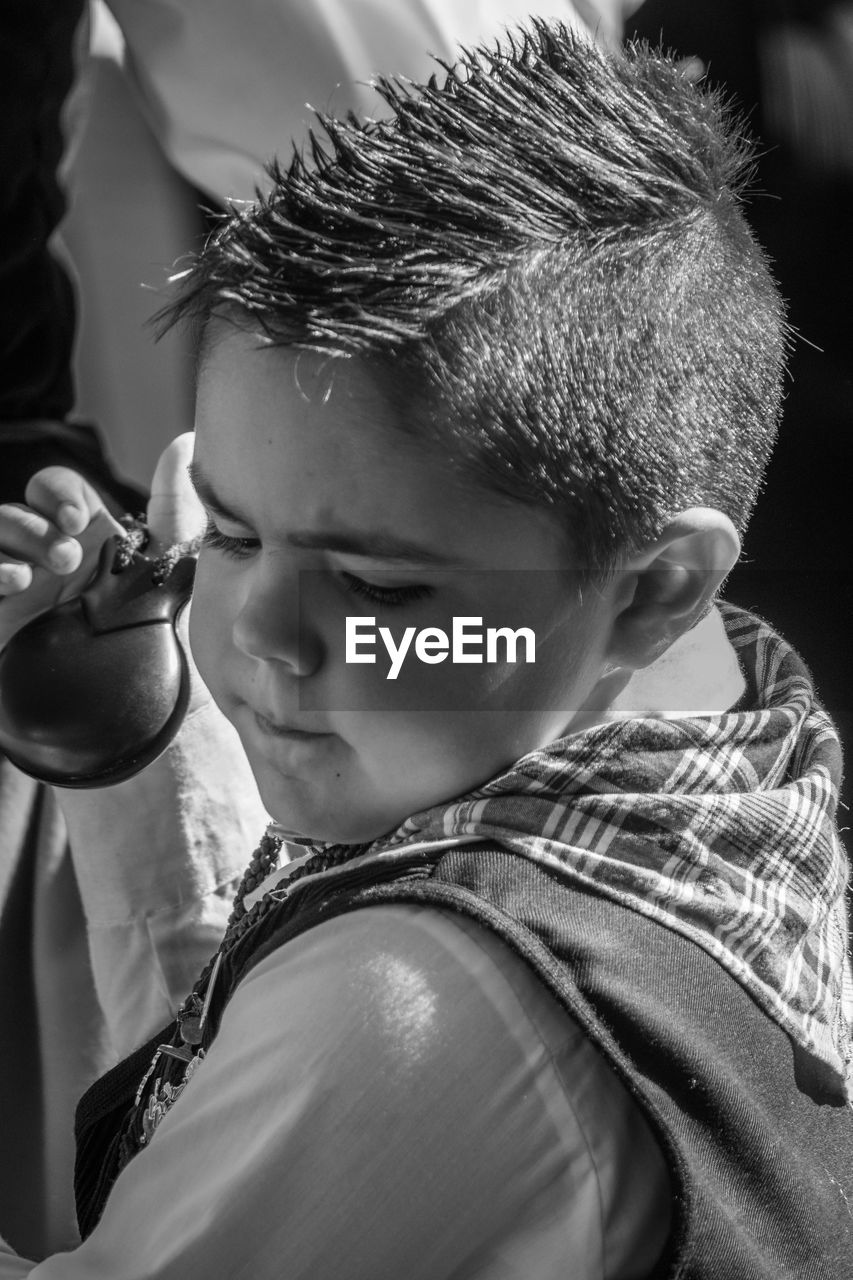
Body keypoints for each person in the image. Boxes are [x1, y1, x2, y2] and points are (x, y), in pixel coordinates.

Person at [0, 21, 851, 1278]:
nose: (257, 636)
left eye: (378, 586)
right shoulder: (730, 732)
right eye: (225, 529)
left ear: (656, 584)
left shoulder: (421, 1002)